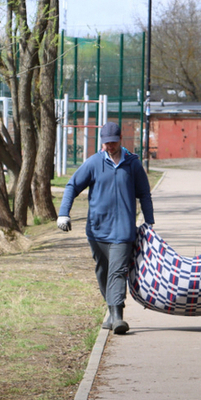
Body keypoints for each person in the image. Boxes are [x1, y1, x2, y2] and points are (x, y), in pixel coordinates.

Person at [57, 122, 155, 335]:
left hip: (123, 230)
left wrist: (149, 221)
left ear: (121, 140)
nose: (109, 146)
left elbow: (144, 193)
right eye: (106, 143)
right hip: (97, 229)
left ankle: (118, 316)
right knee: (103, 271)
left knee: (118, 271)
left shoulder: (132, 164)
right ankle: (111, 310)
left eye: (113, 142)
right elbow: (72, 186)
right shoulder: (93, 163)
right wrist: (64, 213)